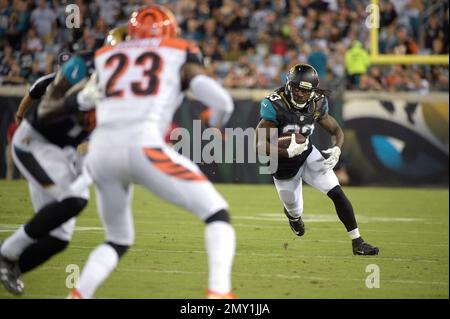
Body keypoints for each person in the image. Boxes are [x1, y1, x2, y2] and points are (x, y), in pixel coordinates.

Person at [65, 5, 236, 299]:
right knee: (216, 213)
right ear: (170, 32)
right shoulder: (177, 50)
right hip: (142, 144)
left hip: (100, 152)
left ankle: (77, 295)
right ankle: (219, 295)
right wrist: (215, 121)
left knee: (118, 239)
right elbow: (223, 102)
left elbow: (79, 100)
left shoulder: (105, 55)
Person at [0, 27, 127, 296]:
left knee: (59, 239)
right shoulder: (84, 66)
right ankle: (6, 254)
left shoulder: (130, 86)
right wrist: (77, 102)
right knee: (74, 200)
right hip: (35, 143)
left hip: (64, 152)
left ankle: (10, 265)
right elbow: (45, 112)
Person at [255, 63, 379, 256]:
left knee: (336, 192)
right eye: (296, 88)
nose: (300, 94)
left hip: (307, 155)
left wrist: (337, 148)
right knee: (294, 208)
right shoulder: (275, 105)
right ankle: (294, 218)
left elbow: (336, 130)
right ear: (289, 85)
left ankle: (357, 242)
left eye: (306, 90)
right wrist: (287, 152)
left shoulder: (318, 103)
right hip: (282, 166)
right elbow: (259, 146)